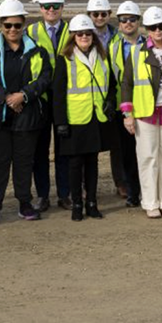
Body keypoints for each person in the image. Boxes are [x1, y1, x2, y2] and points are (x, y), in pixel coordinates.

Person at [0, 0, 52, 224]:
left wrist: (24, 95)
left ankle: (24, 203)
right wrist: (7, 98)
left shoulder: (37, 51)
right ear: (1, 24)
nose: (12, 29)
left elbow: (44, 78)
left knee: (23, 162)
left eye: (17, 25)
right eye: (8, 25)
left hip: (27, 116)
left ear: (23, 25)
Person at [121, 6, 162, 218]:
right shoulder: (136, 53)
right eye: (153, 27)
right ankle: (150, 202)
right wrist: (128, 114)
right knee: (147, 158)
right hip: (145, 113)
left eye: (161, 26)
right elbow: (126, 83)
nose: (158, 31)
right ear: (146, 29)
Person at [52, 15, 115, 221]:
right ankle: (77, 204)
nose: (84, 37)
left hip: (96, 117)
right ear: (73, 36)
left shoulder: (103, 57)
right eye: (80, 34)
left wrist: (110, 101)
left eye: (88, 33)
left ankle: (92, 203)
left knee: (92, 163)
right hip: (75, 119)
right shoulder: (64, 60)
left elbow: (111, 84)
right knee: (75, 164)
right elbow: (58, 94)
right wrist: (60, 122)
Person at [27, 0, 71, 211]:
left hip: (65, 98)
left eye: (55, 6)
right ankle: (43, 195)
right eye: (47, 6)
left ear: (62, 7)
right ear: (41, 8)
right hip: (41, 98)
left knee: (64, 149)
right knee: (40, 150)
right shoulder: (31, 31)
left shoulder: (73, 30)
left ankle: (65, 194)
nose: (51, 10)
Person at [108, 1, 145, 207]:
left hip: (146, 106)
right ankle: (132, 192)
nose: (128, 23)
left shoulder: (149, 45)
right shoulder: (112, 48)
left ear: (138, 21)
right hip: (123, 108)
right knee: (127, 153)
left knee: (146, 153)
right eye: (123, 20)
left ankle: (147, 191)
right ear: (119, 23)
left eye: (132, 19)